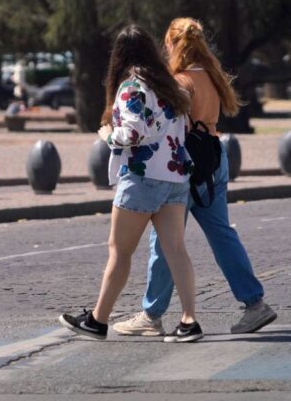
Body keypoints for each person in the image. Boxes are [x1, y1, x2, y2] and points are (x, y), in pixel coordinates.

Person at [113, 17, 276, 337]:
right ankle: (255, 303)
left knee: (165, 240)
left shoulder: (180, 82)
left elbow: (168, 125)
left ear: (173, 45)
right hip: (215, 157)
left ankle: (152, 314)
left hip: (185, 162)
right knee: (221, 234)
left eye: (166, 44)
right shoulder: (212, 76)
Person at [59, 24, 203, 343]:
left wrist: (109, 135)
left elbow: (134, 132)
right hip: (175, 177)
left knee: (119, 252)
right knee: (176, 250)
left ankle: (97, 320)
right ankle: (189, 321)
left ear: (119, 56)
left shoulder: (132, 87)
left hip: (142, 178)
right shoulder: (171, 88)